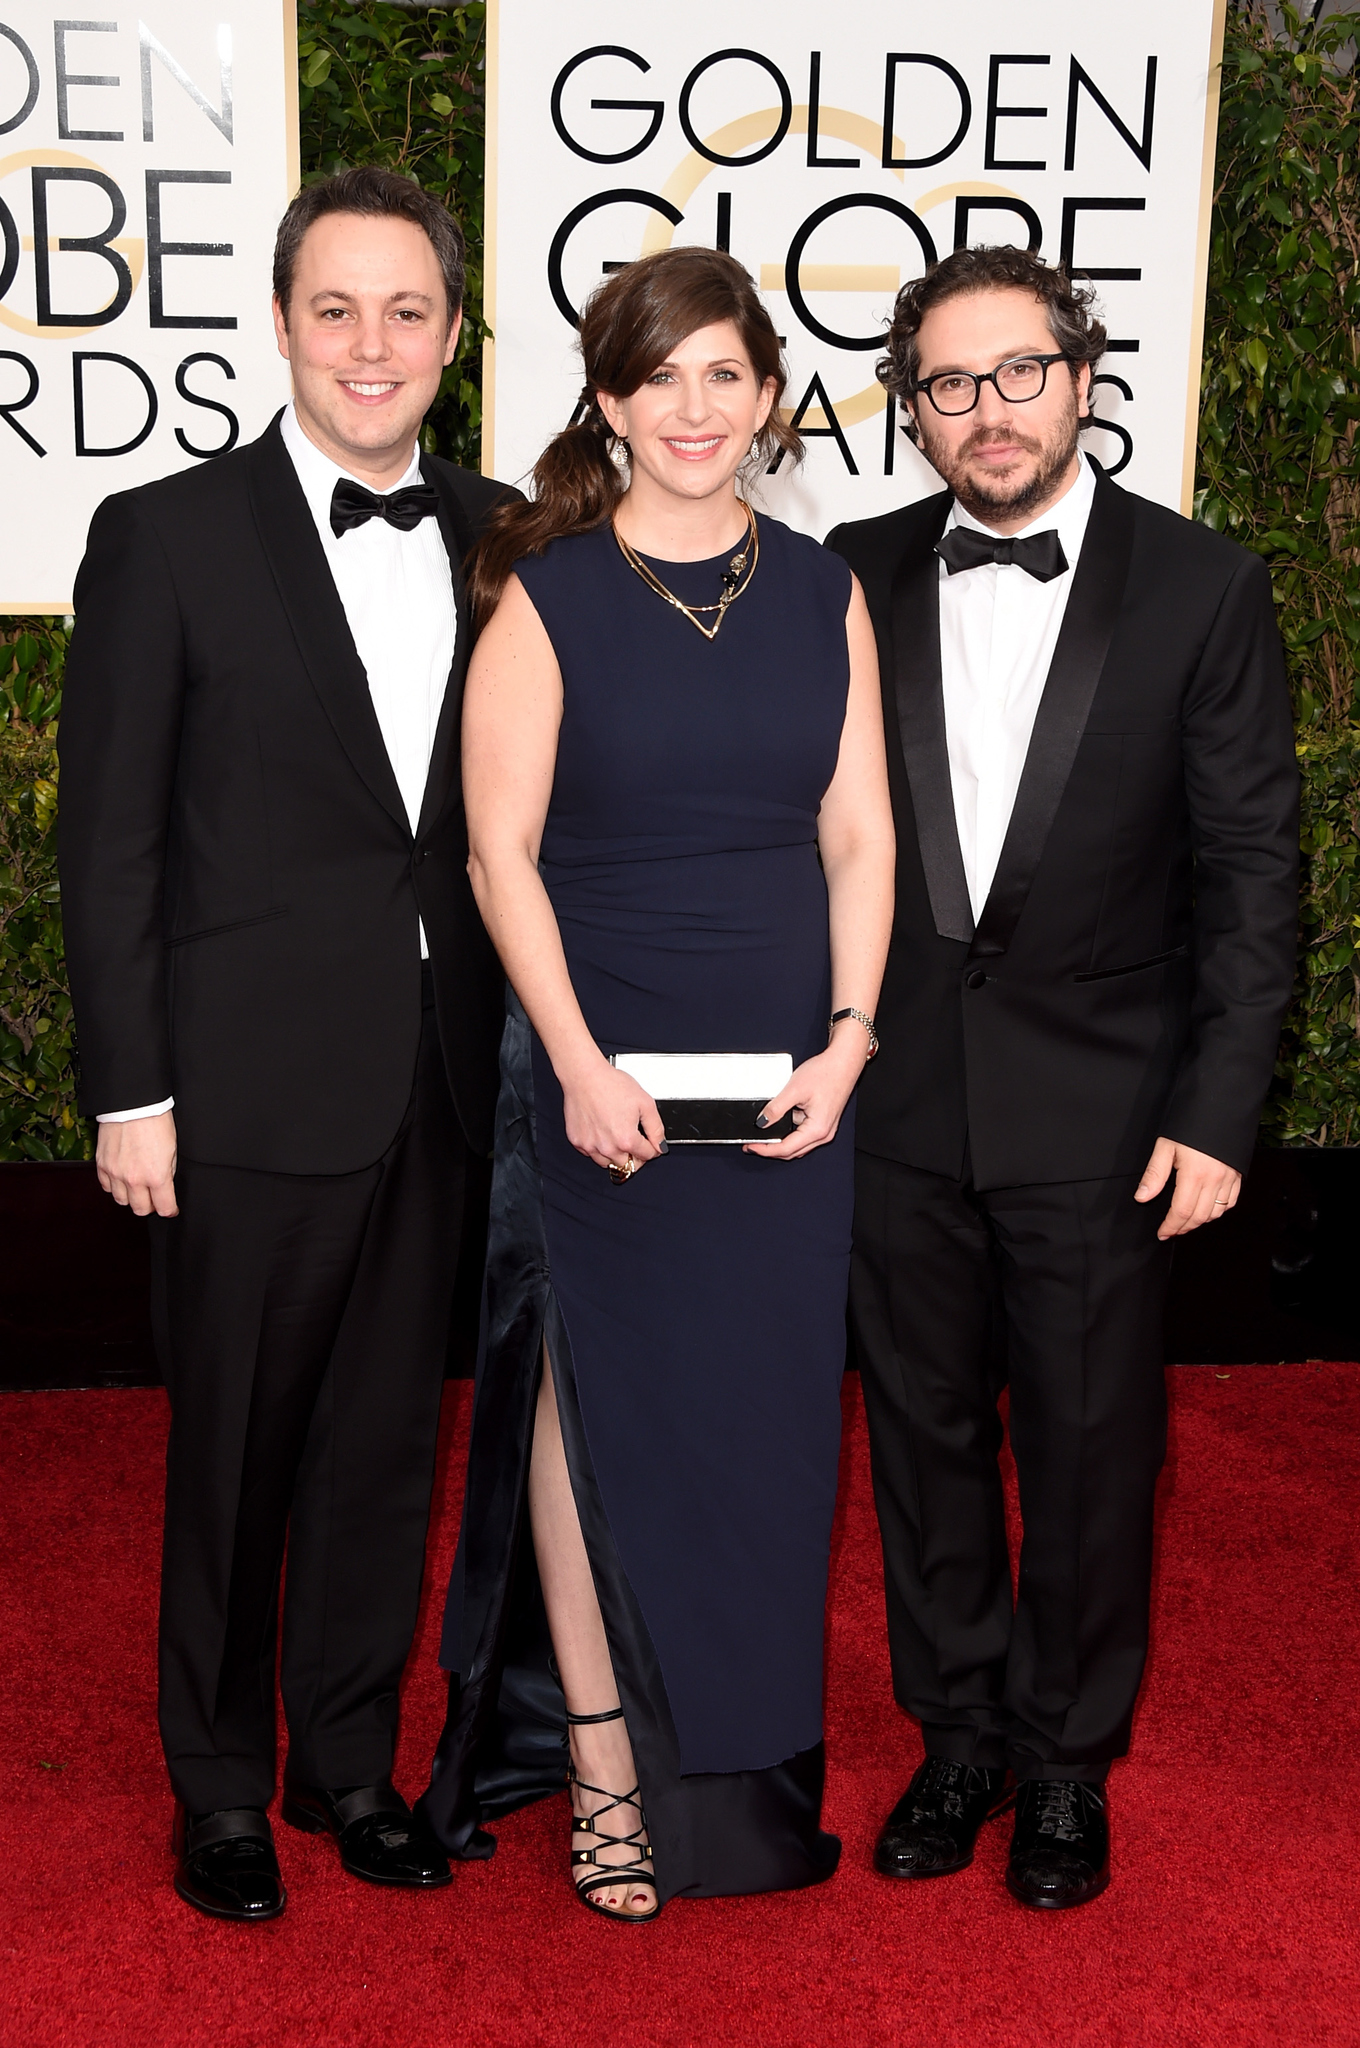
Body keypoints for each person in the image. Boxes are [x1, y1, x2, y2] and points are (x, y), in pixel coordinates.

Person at [57, 167, 517, 1922]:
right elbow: (108, 842)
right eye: (338, 308)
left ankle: (346, 1765)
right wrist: (130, 1090)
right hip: (239, 1085)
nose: (372, 343)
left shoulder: (505, 540)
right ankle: (223, 1786)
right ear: (281, 323)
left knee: (388, 1446)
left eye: (408, 310)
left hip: (443, 1075)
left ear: (454, 336)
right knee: (234, 1449)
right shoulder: (167, 534)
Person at [418, 245, 895, 1919]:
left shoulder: (829, 591)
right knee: (593, 1403)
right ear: (608, 401)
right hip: (599, 1050)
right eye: (658, 377)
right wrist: (571, 1060)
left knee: (765, 1423)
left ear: (767, 396)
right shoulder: (543, 595)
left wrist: (850, 1042)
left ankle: (750, 1774)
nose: (694, 408)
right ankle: (608, 1770)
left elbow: (858, 835)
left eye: (725, 375)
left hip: (790, 1078)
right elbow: (497, 849)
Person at [827, 245, 1298, 1910]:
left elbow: (1253, 872)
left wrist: (1219, 1106)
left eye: (1017, 372)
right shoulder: (850, 573)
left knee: (1096, 1451)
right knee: (923, 1436)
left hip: (1110, 1113)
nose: (987, 412)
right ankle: (955, 1737)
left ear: (1084, 380)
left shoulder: (1202, 587)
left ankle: (1066, 1764)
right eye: (947, 385)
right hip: (893, 1103)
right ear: (913, 414)